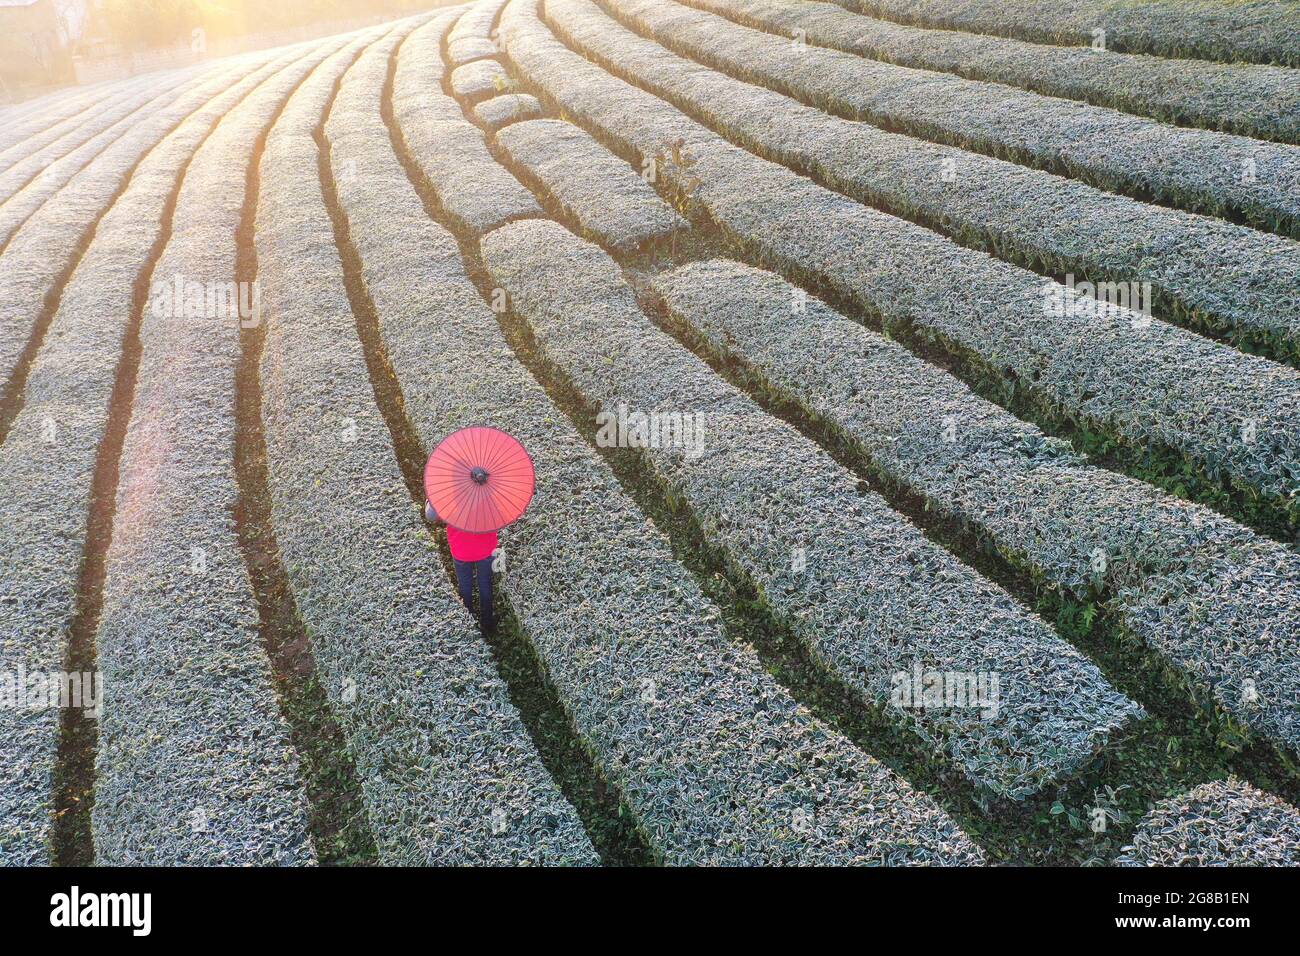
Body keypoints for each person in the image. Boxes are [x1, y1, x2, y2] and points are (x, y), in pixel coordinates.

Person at [425, 499, 497, 634]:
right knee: (485, 584)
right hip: (486, 548)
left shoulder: (450, 495)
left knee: (465, 586)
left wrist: (431, 499)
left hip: (461, 549)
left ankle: (468, 621)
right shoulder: (489, 494)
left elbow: (431, 516)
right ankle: (487, 622)